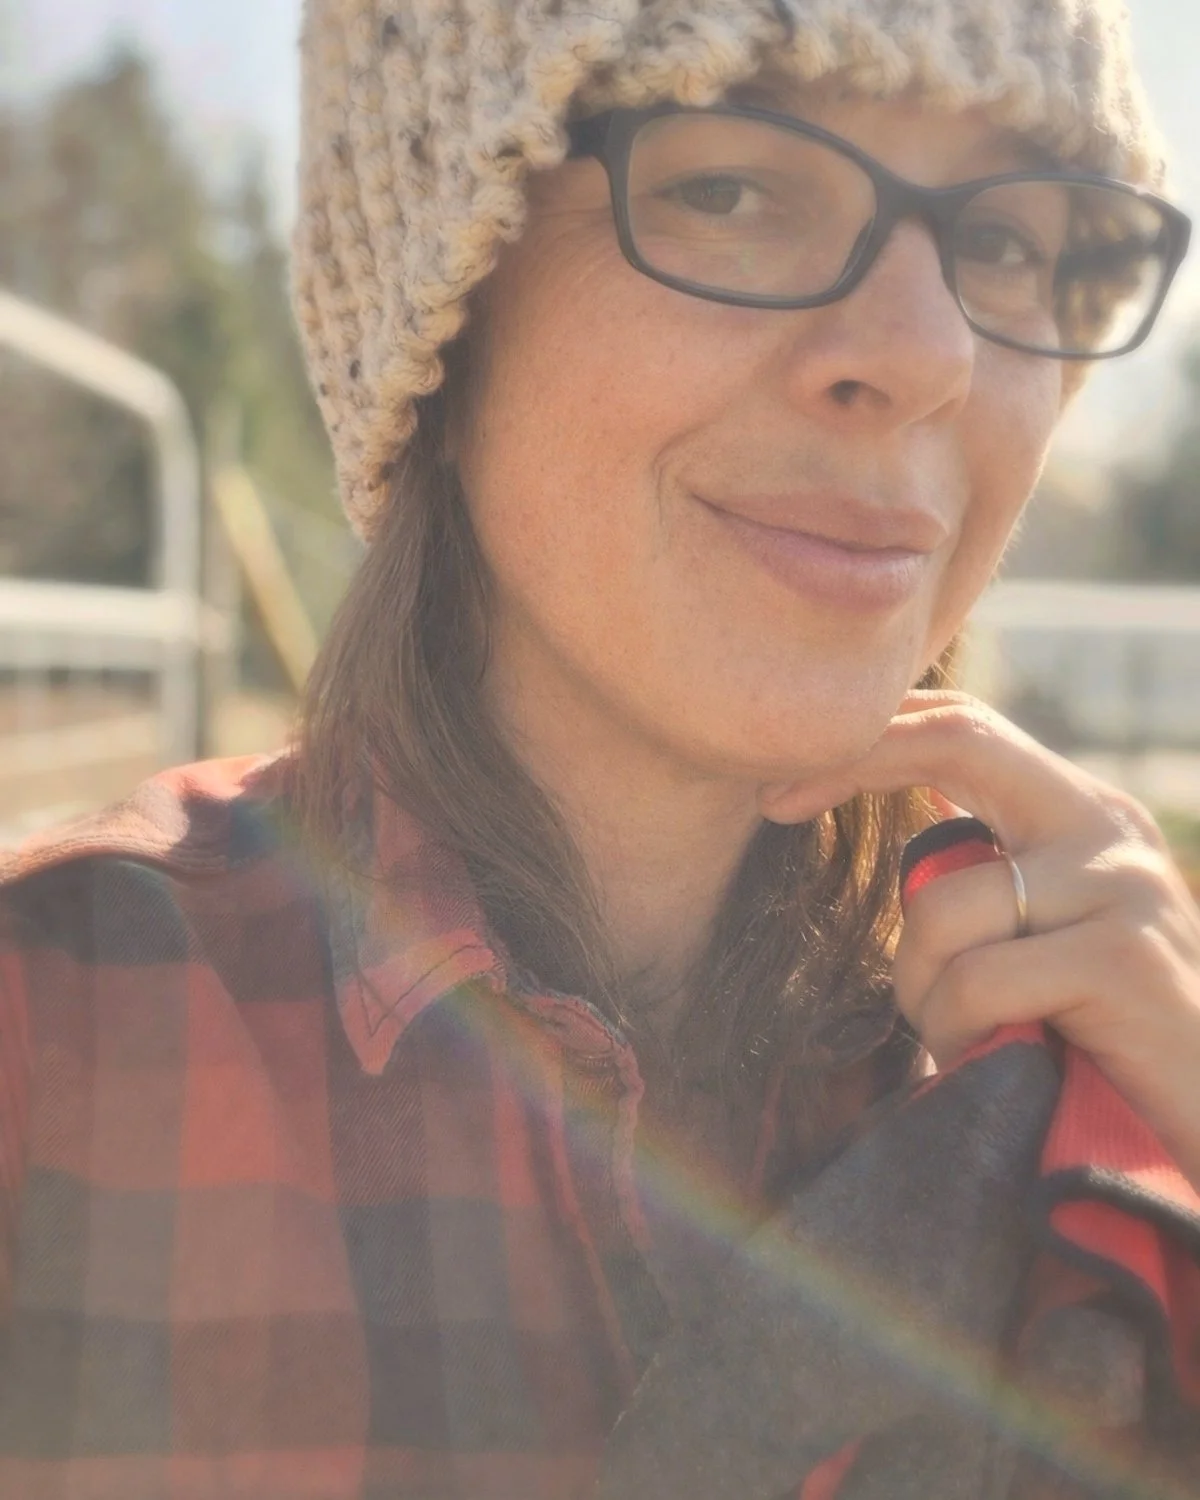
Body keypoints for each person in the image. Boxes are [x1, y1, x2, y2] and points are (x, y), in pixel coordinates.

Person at [1, 0, 1199, 1494]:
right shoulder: (64, 1033)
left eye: (1016, 240)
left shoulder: (1112, 1082)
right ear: (441, 305)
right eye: (733, 188)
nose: (926, 352)